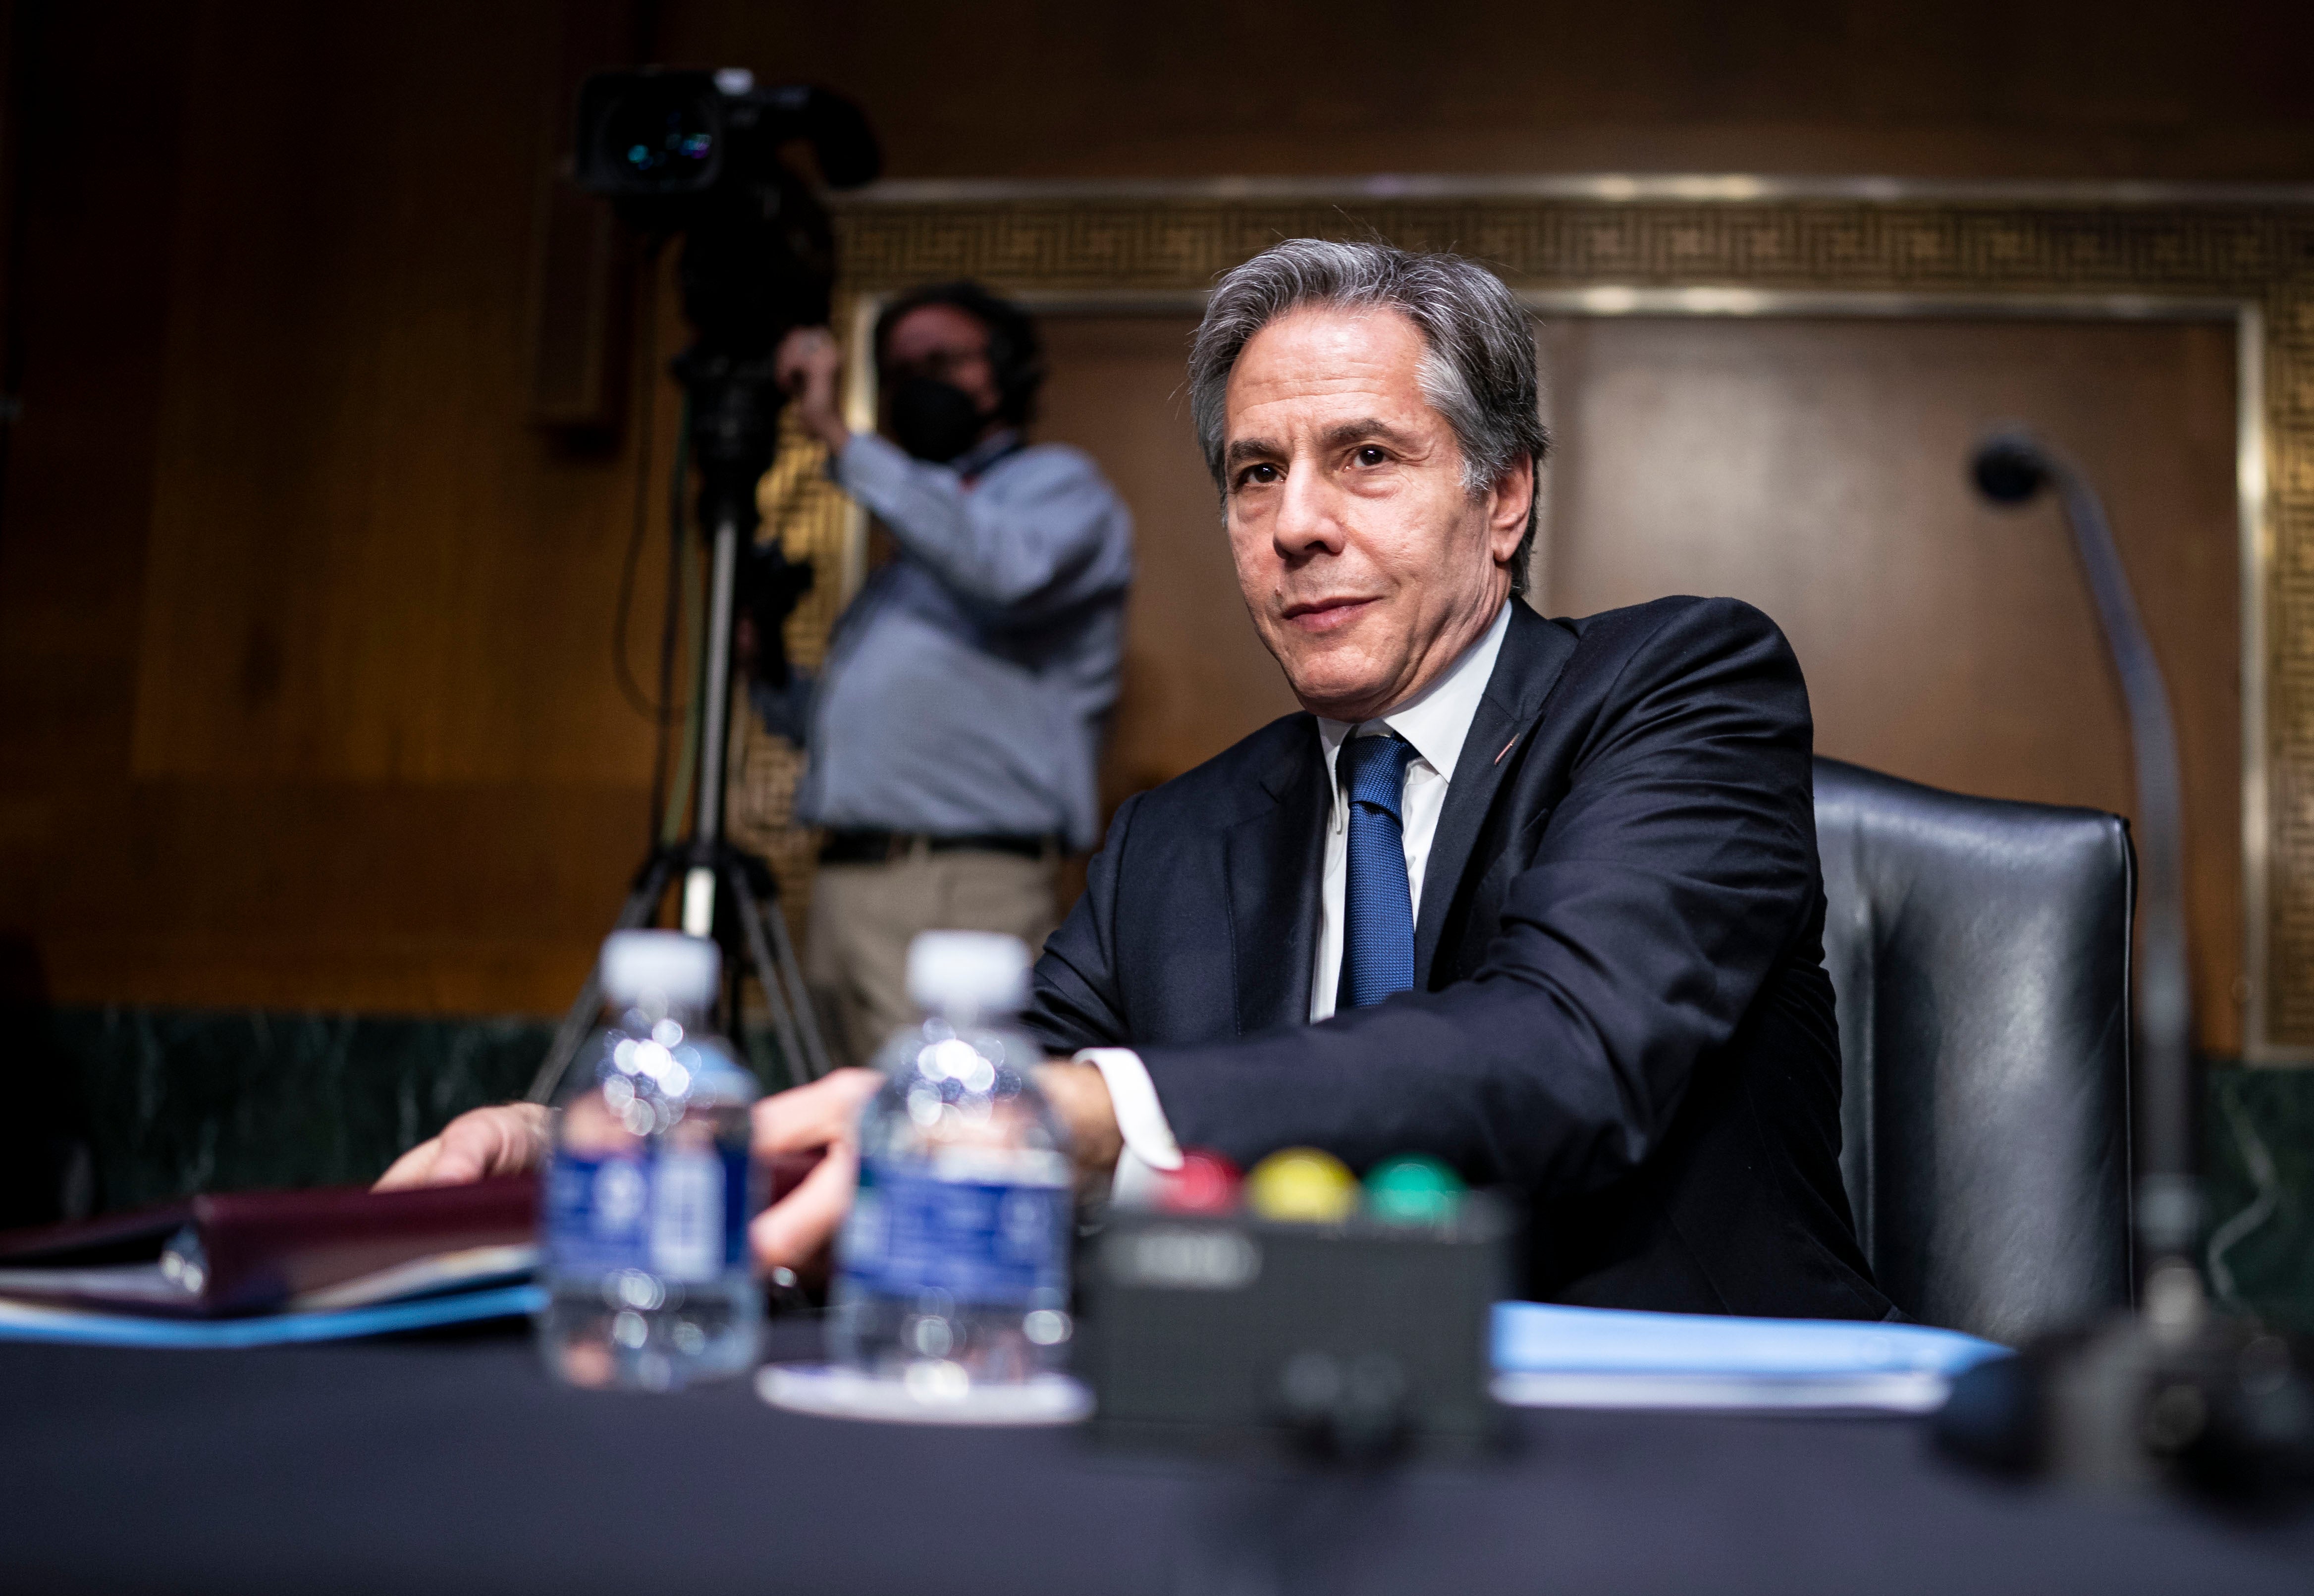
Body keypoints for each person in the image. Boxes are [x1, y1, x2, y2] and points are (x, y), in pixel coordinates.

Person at [392, 240, 1887, 1323]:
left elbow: (1565, 1055)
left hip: (1689, 1465)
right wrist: (639, 1159)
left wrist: (1099, 1112)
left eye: (1364, 457)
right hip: (1250, 1447)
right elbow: (965, 1121)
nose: (1292, 525)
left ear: (1502, 498)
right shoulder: (1178, 838)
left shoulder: (1680, 687)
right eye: (1253, 473)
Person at [758, 282, 1133, 1063]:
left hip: (961, 886)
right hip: (847, 881)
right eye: (897, 372)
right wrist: (758, 656)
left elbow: (1007, 569)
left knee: (953, 1145)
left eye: (938, 360)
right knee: (853, 1141)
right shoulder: (914, 548)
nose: (914, 385)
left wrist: (836, 434)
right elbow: (832, 727)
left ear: (1007, 371)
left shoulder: (1055, 490)